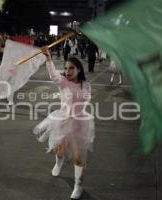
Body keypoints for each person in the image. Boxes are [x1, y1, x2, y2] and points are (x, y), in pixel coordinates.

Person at [34, 47, 95, 199]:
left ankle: (78, 186)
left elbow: (86, 98)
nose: (67, 71)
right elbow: (54, 75)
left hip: (79, 123)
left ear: (79, 69)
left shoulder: (86, 84)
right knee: (60, 151)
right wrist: (48, 58)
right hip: (62, 120)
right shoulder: (63, 82)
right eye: (66, 68)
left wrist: (84, 99)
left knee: (78, 157)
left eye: (71, 68)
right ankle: (58, 164)